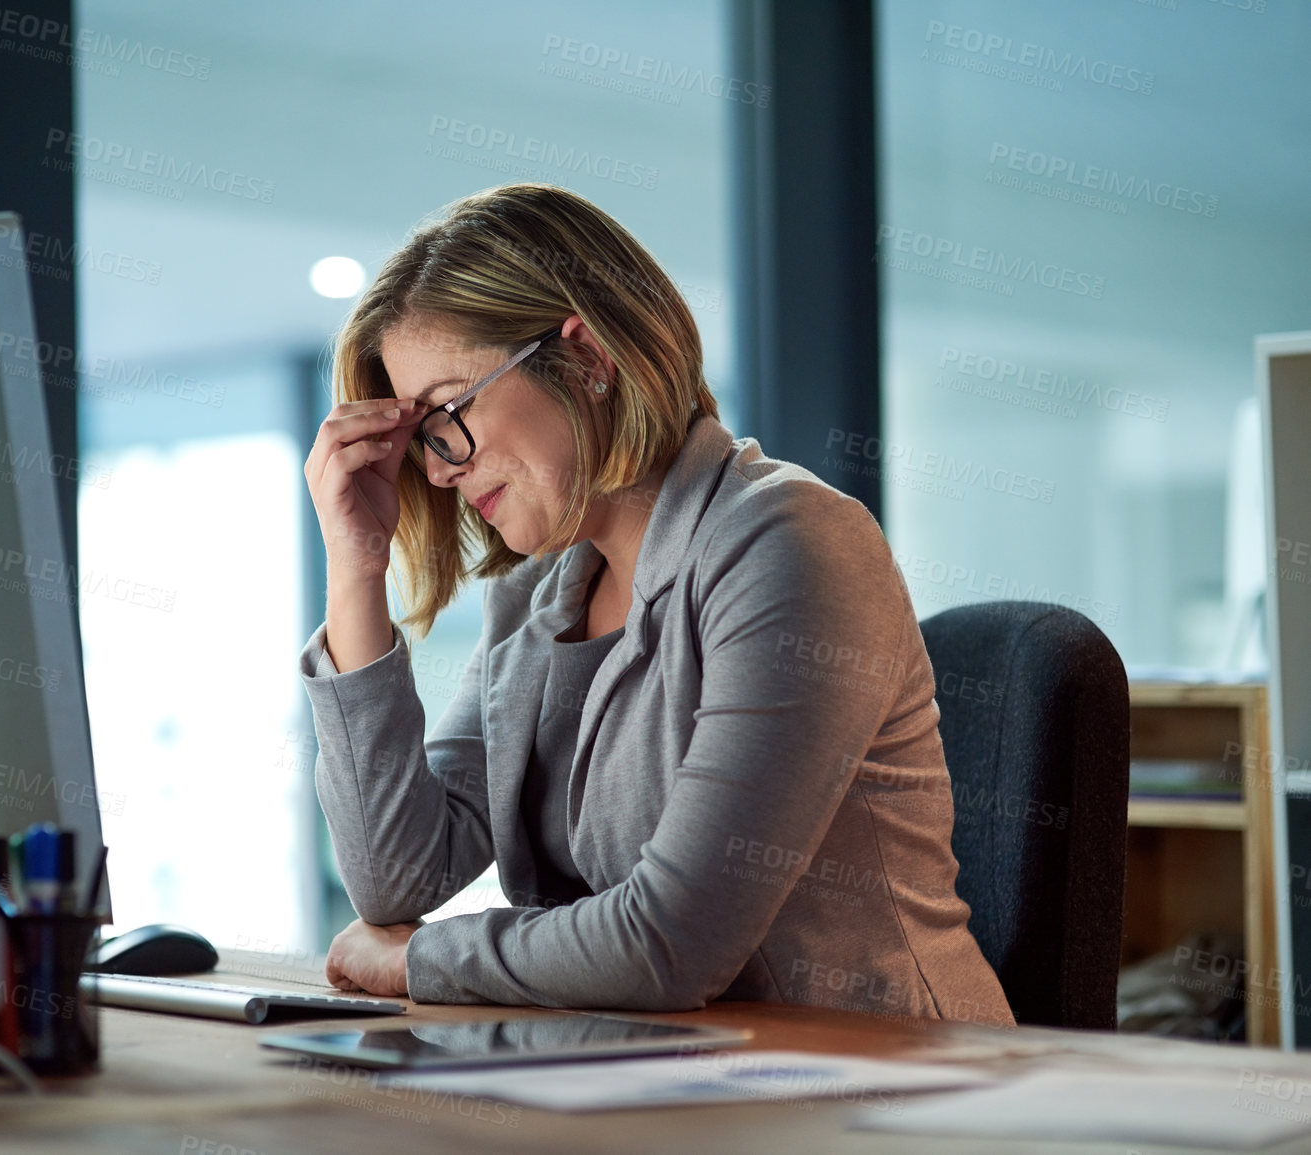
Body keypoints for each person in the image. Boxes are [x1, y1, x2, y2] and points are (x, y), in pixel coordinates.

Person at [298, 183, 1012, 1024]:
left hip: (883, 1092)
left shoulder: (790, 542)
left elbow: (669, 944)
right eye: (420, 438)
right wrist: (355, 566)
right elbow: (397, 878)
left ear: (586, 360)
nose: (439, 470)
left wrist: (419, 958)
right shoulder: (535, 595)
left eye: (448, 413)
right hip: (659, 1078)